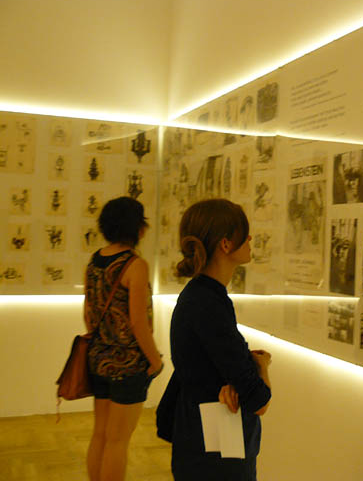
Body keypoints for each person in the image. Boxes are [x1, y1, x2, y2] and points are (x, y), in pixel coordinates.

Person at [169, 198, 272, 480]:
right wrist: (261, 365)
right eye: (244, 233)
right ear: (225, 244)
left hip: (202, 444)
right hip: (215, 455)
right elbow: (259, 401)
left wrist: (234, 377)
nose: (250, 239)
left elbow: (210, 364)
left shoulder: (200, 296)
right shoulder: (208, 303)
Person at [85, 196, 164, 481]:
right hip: (127, 364)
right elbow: (138, 322)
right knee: (118, 441)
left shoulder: (95, 260)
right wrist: (155, 361)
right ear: (137, 227)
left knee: (100, 434)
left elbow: (88, 314)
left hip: (98, 359)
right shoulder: (135, 265)